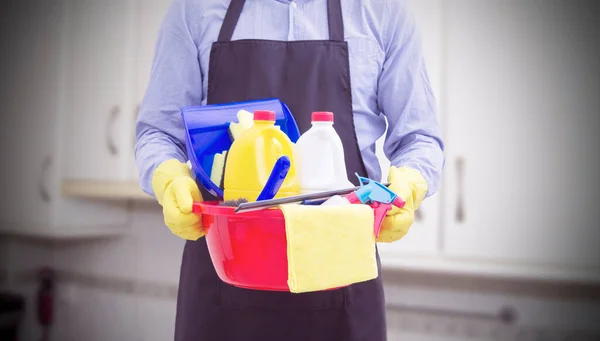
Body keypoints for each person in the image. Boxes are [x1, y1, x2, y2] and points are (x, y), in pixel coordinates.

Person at [135, 0, 444, 339]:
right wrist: (167, 176)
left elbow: (420, 139)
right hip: (222, 291)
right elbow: (159, 133)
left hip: (342, 291)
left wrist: (410, 184)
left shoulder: (382, 14)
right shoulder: (195, 11)